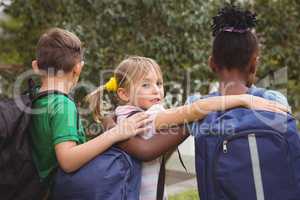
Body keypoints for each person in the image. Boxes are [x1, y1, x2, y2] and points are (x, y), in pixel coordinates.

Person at [86, 56, 288, 200]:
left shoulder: (120, 115)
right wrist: (242, 98)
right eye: (146, 85)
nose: (156, 89)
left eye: (159, 83)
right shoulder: (147, 116)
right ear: (123, 93)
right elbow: (193, 110)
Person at [29, 28, 151, 197]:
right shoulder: (62, 105)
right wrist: (116, 133)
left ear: (35, 66)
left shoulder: (34, 98)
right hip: (61, 190)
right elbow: (68, 161)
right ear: (78, 69)